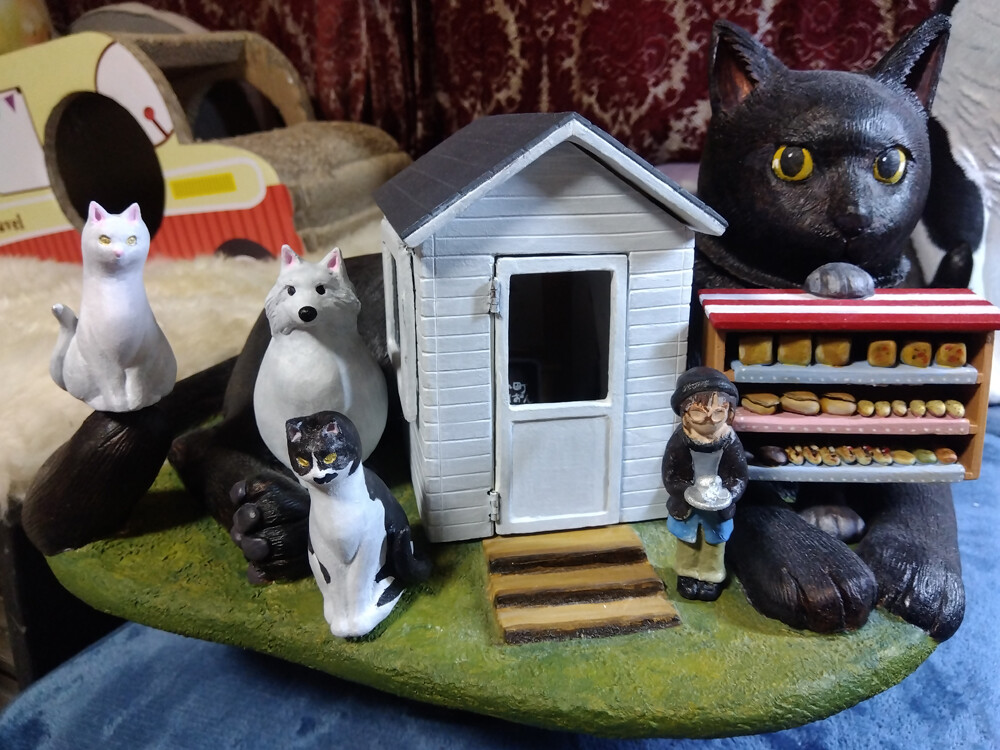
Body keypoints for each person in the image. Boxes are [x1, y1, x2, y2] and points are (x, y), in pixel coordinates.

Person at [661, 367, 747, 601]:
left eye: (718, 412)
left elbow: (739, 476)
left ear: (729, 412)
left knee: (714, 546)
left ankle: (711, 577)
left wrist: (728, 494)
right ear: (685, 412)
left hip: (717, 509)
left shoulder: (730, 441)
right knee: (688, 543)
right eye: (699, 413)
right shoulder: (679, 441)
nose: (709, 420)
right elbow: (670, 476)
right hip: (687, 507)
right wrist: (687, 491)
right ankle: (687, 575)